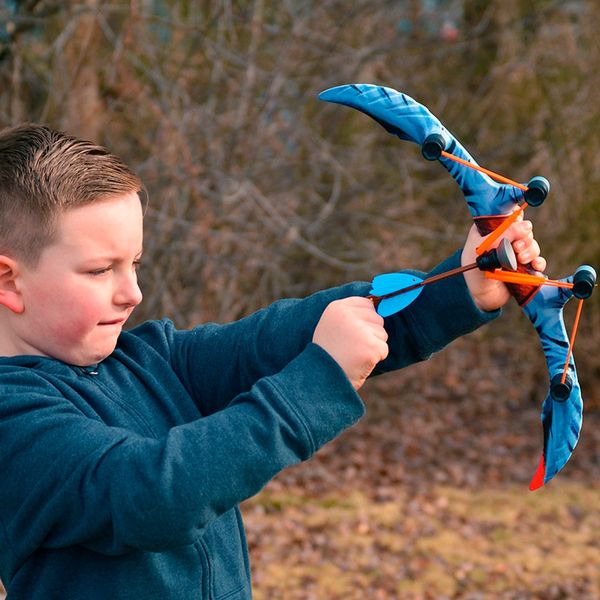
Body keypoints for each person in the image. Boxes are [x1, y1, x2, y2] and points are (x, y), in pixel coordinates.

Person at [0, 123, 545, 600]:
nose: (133, 293)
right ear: (10, 281)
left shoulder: (150, 361)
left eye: (135, 264)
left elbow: (274, 340)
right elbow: (153, 495)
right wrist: (320, 380)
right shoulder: (12, 419)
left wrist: (462, 286)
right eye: (101, 270)